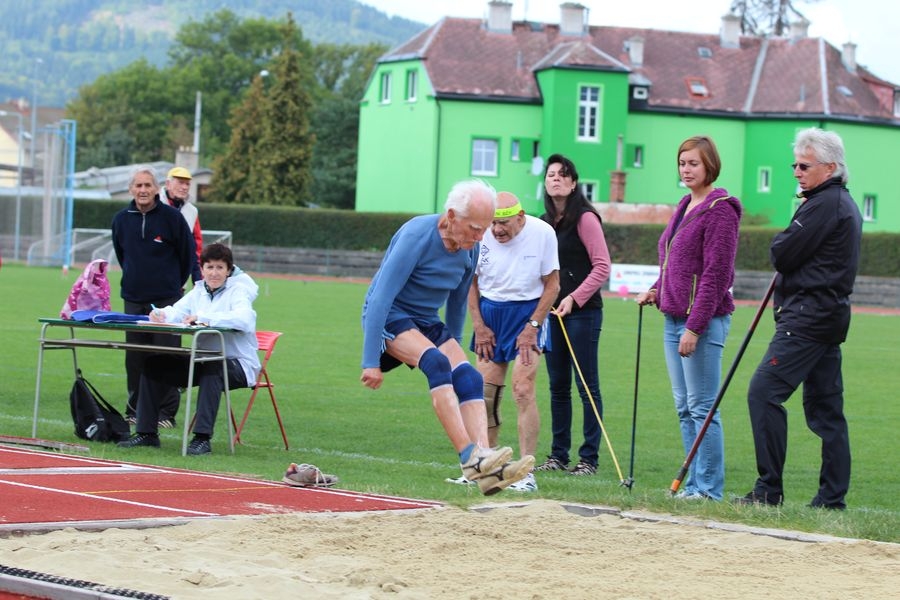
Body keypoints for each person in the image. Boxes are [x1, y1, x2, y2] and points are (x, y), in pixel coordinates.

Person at [360, 179, 534, 496]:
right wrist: (370, 360)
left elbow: (456, 305)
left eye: (485, 229)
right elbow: (381, 298)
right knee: (437, 364)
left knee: (468, 376)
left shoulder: (471, 248)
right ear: (451, 216)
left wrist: (457, 356)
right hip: (391, 315)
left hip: (427, 321)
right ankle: (469, 458)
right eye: (474, 228)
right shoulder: (417, 235)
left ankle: (486, 463)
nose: (481, 237)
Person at [735, 127, 862, 509]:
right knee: (826, 411)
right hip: (825, 318)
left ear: (830, 167)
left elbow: (783, 252)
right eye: (794, 164)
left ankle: (768, 490)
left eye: (804, 165)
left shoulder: (826, 204)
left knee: (764, 393)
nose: (796, 171)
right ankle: (831, 498)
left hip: (807, 319)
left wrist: (784, 242)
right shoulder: (835, 202)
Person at [636, 136, 742, 501]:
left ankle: (709, 489)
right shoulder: (684, 205)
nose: (686, 169)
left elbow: (715, 274)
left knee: (702, 408)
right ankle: (693, 484)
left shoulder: (721, 210)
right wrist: (656, 289)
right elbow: (675, 263)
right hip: (672, 319)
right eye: (682, 163)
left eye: (693, 163)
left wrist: (695, 326)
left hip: (702, 323)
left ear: (709, 165)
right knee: (684, 408)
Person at [118, 243, 260, 455]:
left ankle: (201, 439)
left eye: (220, 268)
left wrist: (204, 318)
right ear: (201, 269)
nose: (214, 273)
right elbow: (177, 311)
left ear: (229, 271)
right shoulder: (199, 290)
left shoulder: (238, 291)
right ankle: (146, 433)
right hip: (202, 360)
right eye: (209, 267)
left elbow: (245, 320)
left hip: (238, 364)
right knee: (153, 364)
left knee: (214, 370)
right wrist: (161, 314)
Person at [467, 191, 559, 492]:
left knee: (523, 389)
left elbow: (553, 285)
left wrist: (533, 326)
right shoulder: (482, 235)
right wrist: (479, 325)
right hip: (490, 314)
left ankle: (527, 472)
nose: (497, 230)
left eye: (504, 224)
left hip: (527, 313)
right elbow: (472, 282)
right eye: (493, 223)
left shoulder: (543, 233)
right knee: (485, 395)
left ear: (520, 218)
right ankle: (489, 467)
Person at [534, 154, 611, 476]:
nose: (555, 179)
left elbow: (602, 266)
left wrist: (574, 299)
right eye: (551, 174)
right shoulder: (542, 222)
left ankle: (588, 459)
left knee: (586, 387)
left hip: (582, 315)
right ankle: (558, 456)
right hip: (552, 315)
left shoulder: (586, 218)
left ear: (573, 182)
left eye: (562, 174)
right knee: (558, 386)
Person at [111, 165, 196, 429]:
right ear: (131, 189)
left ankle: (165, 413)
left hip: (167, 301)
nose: (143, 190)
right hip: (134, 299)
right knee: (135, 357)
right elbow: (122, 254)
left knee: (167, 355)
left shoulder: (172, 218)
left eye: (148, 185)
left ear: (157, 188)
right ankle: (135, 410)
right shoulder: (121, 219)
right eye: (138, 185)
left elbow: (187, 256)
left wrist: (172, 287)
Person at [160, 166, 204, 284]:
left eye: (187, 184)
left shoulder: (192, 211)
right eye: (180, 183)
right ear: (168, 184)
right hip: (152, 275)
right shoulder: (154, 205)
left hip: (178, 279)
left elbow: (196, 246)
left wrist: (197, 279)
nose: (184, 187)